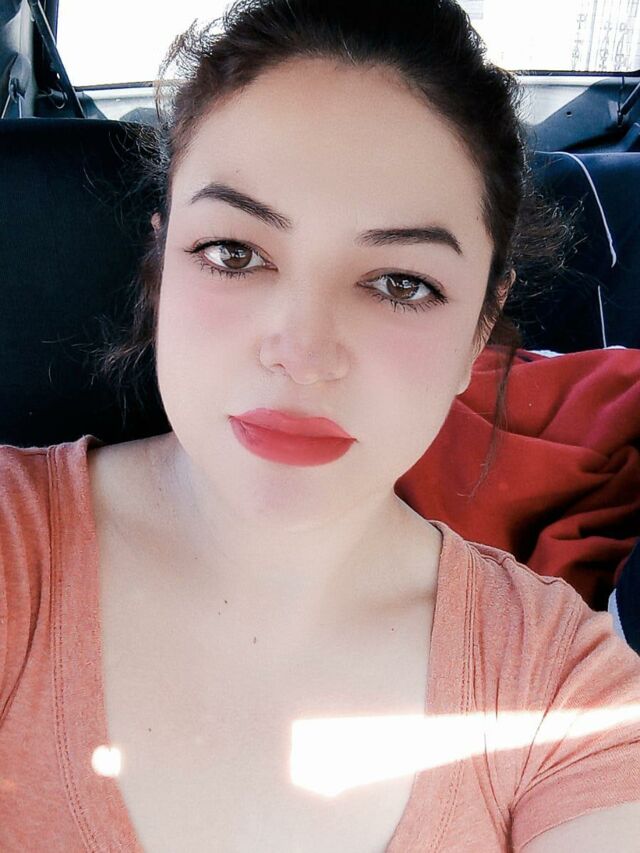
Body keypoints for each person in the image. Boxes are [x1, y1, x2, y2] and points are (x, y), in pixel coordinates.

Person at [1, 1, 639, 850]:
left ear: (479, 331)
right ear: (162, 266)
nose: (302, 355)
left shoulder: (566, 689)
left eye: (400, 283)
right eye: (234, 253)